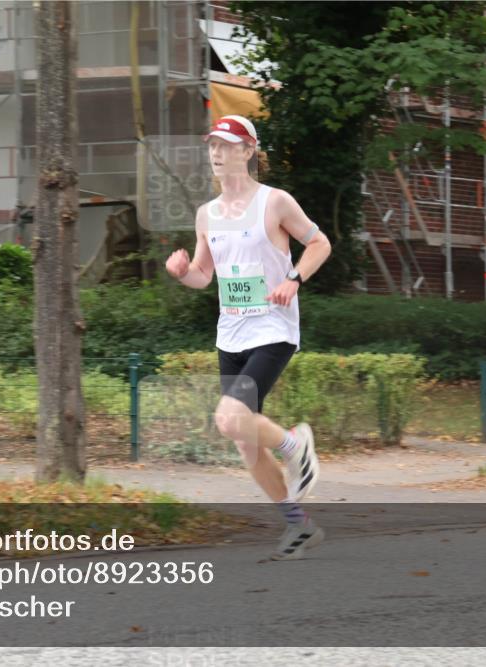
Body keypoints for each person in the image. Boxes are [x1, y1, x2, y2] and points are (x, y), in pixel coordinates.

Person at [165, 115, 332, 560]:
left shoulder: (274, 203)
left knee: (228, 418)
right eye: (212, 146)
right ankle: (300, 526)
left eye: (227, 145)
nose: (217, 154)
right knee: (243, 440)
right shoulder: (208, 214)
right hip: (231, 333)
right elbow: (205, 275)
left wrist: (294, 279)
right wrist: (184, 274)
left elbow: (320, 244)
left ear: (249, 151)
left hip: (272, 327)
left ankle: (296, 445)